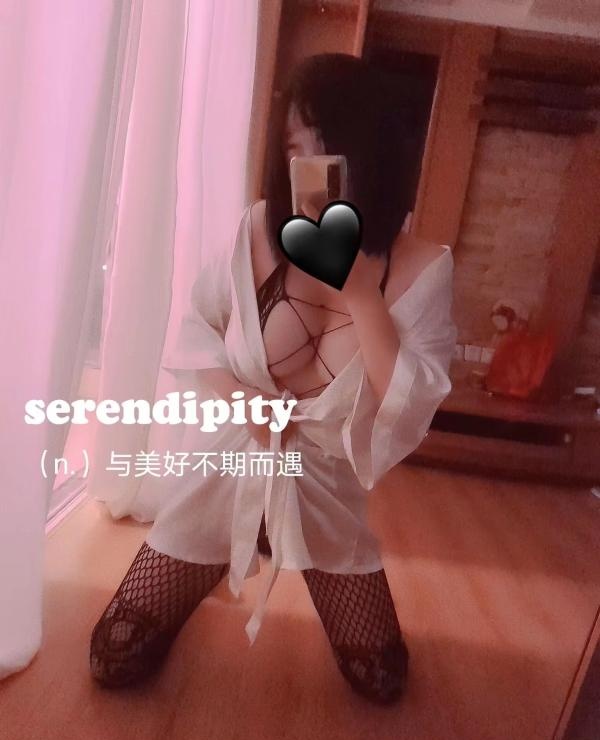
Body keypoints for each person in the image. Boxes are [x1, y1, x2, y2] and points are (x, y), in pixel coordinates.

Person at [89, 53, 457, 705]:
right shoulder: (259, 229)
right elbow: (198, 328)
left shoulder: (424, 266)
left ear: (370, 151)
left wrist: (362, 294)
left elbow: (411, 401)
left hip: (323, 489)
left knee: (380, 680)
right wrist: (244, 401)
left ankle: (291, 547)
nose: (307, 165)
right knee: (113, 656)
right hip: (226, 471)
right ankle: (224, 549)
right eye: (295, 147)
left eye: (326, 144)